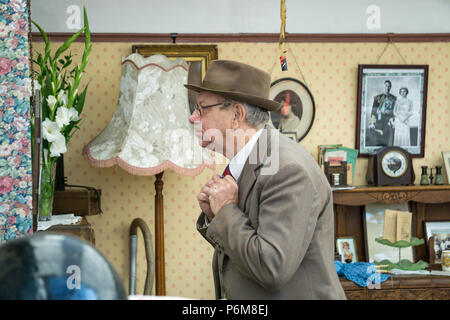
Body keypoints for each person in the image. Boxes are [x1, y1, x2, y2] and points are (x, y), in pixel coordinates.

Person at [185, 60, 346, 300]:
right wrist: (215, 216)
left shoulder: (287, 170)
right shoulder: (253, 161)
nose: (192, 118)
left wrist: (226, 211)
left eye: (202, 108)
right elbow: (244, 251)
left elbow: (271, 267)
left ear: (237, 115)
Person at [367, 80, 396, 147]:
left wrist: (391, 117)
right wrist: (372, 123)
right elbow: (373, 112)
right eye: (386, 85)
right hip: (379, 121)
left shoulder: (393, 98)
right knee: (378, 140)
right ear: (383, 86)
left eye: (389, 86)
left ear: (391, 87)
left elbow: (395, 111)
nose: (387, 87)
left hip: (388, 122)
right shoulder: (378, 97)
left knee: (387, 141)